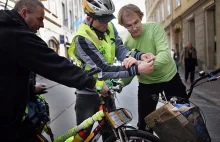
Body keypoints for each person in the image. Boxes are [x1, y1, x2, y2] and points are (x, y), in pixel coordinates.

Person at [0, 0, 105, 141]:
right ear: (24, 13)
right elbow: (53, 64)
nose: (42, 24)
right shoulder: (14, 33)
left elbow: (9, 73)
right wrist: (92, 83)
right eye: (39, 19)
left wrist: (30, 88)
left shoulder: (8, 29)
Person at [68, 0, 155, 140]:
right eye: (102, 20)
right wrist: (137, 69)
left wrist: (137, 56)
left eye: (108, 19)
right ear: (89, 18)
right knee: (83, 136)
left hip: (105, 90)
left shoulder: (108, 26)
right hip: (88, 93)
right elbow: (103, 69)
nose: (106, 23)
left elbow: (119, 49)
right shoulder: (82, 39)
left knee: (111, 133)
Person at [117, 4, 188, 133]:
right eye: (129, 25)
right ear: (124, 26)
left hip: (169, 77)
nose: (134, 27)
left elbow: (165, 55)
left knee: (183, 118)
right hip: (147, 84)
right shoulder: (127, 44)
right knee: (144, 125)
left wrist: (140, 65)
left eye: (136, 22)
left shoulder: (154, 28)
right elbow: (130, 71)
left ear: (140, 17)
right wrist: (120, 83)